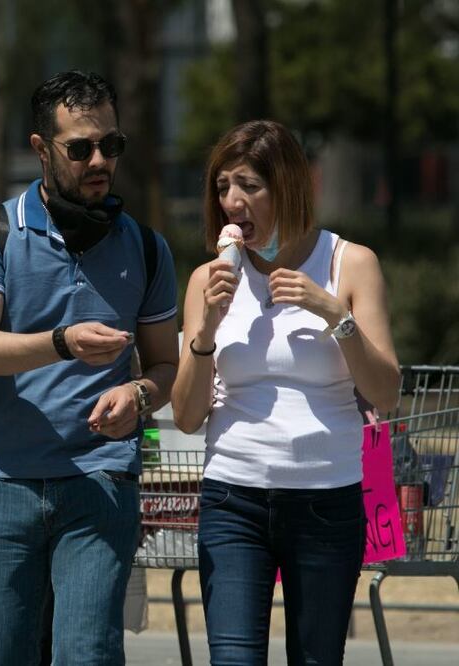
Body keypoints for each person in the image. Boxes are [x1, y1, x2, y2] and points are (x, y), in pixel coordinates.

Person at [0, 70, 179, 665]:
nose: (100, 160)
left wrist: (140, 394)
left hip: (100, 483)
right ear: (40, 148)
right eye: (80, 148)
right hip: (0, 484)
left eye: (112, 144)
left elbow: (164, 363)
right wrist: (63, 342)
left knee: (87, 655)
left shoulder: (148, 247)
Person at [171, 120, 401, 665]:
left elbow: (385, 392)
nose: (233, 201)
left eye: (249, 185)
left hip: (326, 499)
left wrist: (334, 314)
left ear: (289, 186)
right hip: (234, 497)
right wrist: (204, 331)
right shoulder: (208, 278)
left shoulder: (351, 263)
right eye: (224, 186)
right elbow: (185, 415)